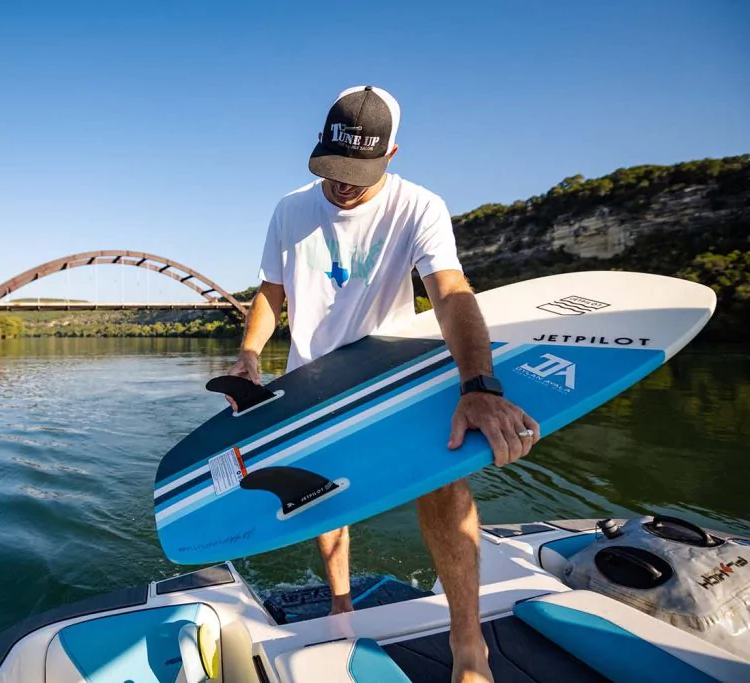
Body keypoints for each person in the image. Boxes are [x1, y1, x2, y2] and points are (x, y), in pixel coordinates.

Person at [225, 85, 540, 683]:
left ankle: (468, 644)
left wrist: (479, 384)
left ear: (392, 153)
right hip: (311, 379)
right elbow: (272, 292)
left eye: (359, 173)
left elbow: (449, 292)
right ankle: (341, 606)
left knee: (444, 485)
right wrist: (248, 354)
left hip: (391, 374)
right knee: (321, 496)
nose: (344, 185)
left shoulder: (419, 207)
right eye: (335, 169)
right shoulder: (290, 209)